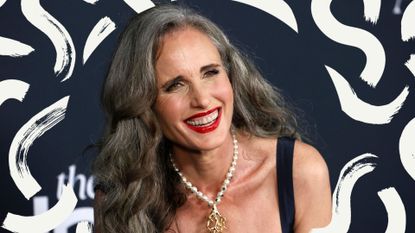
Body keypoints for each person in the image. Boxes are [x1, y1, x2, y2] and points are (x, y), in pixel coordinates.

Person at [93, 4, 331, 233]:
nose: (203, 100)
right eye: (176, 85)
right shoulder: (121, 201)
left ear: (231, 77)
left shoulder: (299, 171)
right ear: (144, 106)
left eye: (210, 73)